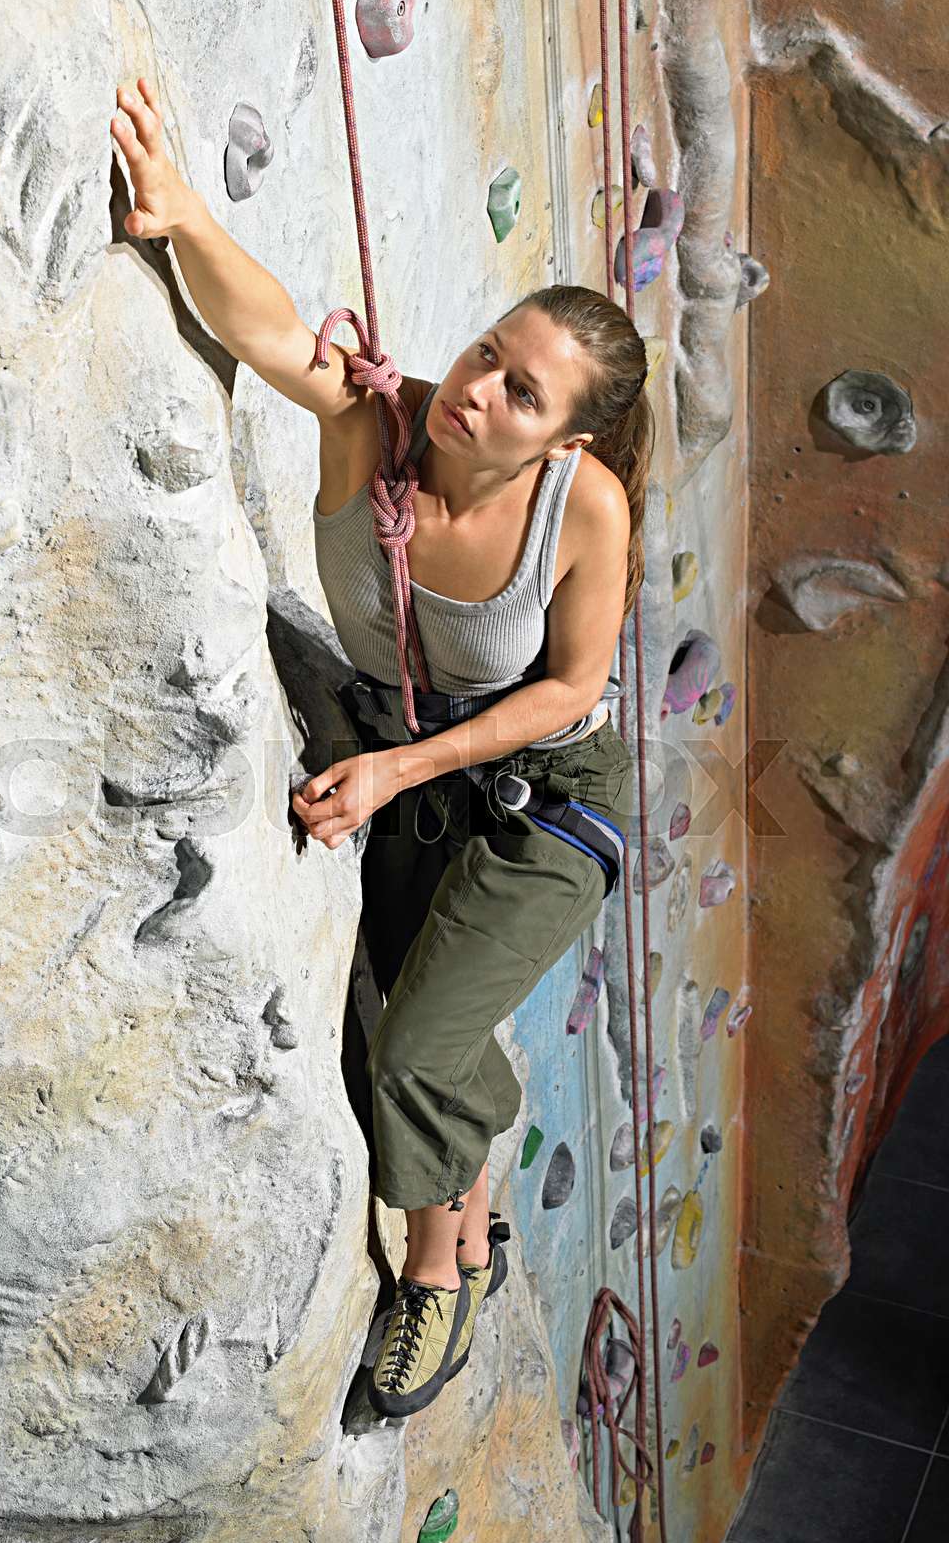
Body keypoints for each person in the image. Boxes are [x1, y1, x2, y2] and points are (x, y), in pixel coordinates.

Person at [111, 78, 647, 1419]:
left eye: (521, 394)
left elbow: (571, 685)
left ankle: (437, 1281)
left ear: (564, 438)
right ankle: (473, 1201)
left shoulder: (585, 512)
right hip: (423, 767)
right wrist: (180, 218)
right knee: (381, 1036)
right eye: (483, 354)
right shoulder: (383, 420)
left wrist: (400, 769)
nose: (477, 392)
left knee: (409, 1056)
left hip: (540, 803)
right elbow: (279, 334)